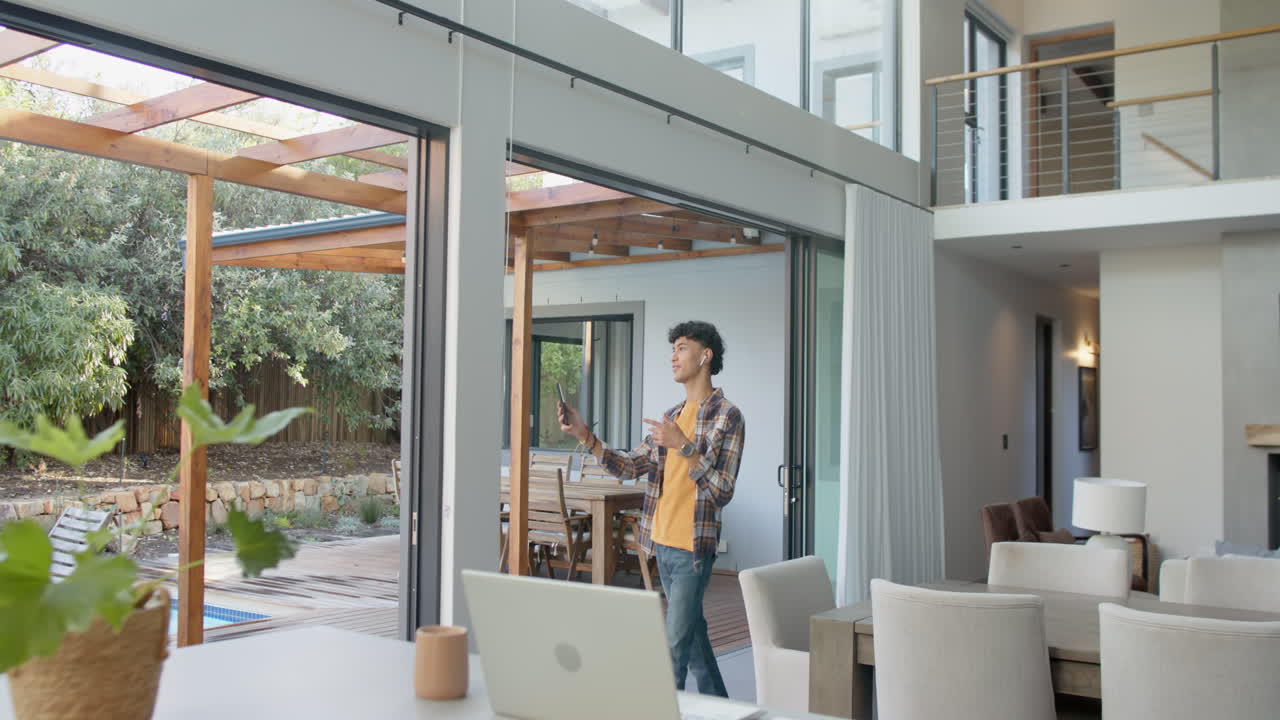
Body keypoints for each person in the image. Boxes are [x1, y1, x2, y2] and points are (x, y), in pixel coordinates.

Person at [558, 320, 745, 697]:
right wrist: (585, 436)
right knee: (693, 642)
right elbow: (629, 466)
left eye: (681, 347)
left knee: (674, 647)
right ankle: (724, 709)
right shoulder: (672, 416)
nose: (672, 356)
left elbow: (722, 491)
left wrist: (685, 446)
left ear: (705, 356)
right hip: (660, 543)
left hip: (693, 551)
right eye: (672, 348)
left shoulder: (728, 416)